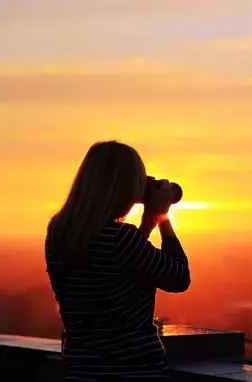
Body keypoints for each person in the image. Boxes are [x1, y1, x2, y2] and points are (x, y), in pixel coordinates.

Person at [45, 140, 191, 381]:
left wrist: (146, 224)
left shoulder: (59, 232)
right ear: (123, 187)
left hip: (82, 370)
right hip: (132, 370)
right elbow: (179, 277)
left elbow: (123, 268)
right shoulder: (121, 238)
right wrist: (164, 218)